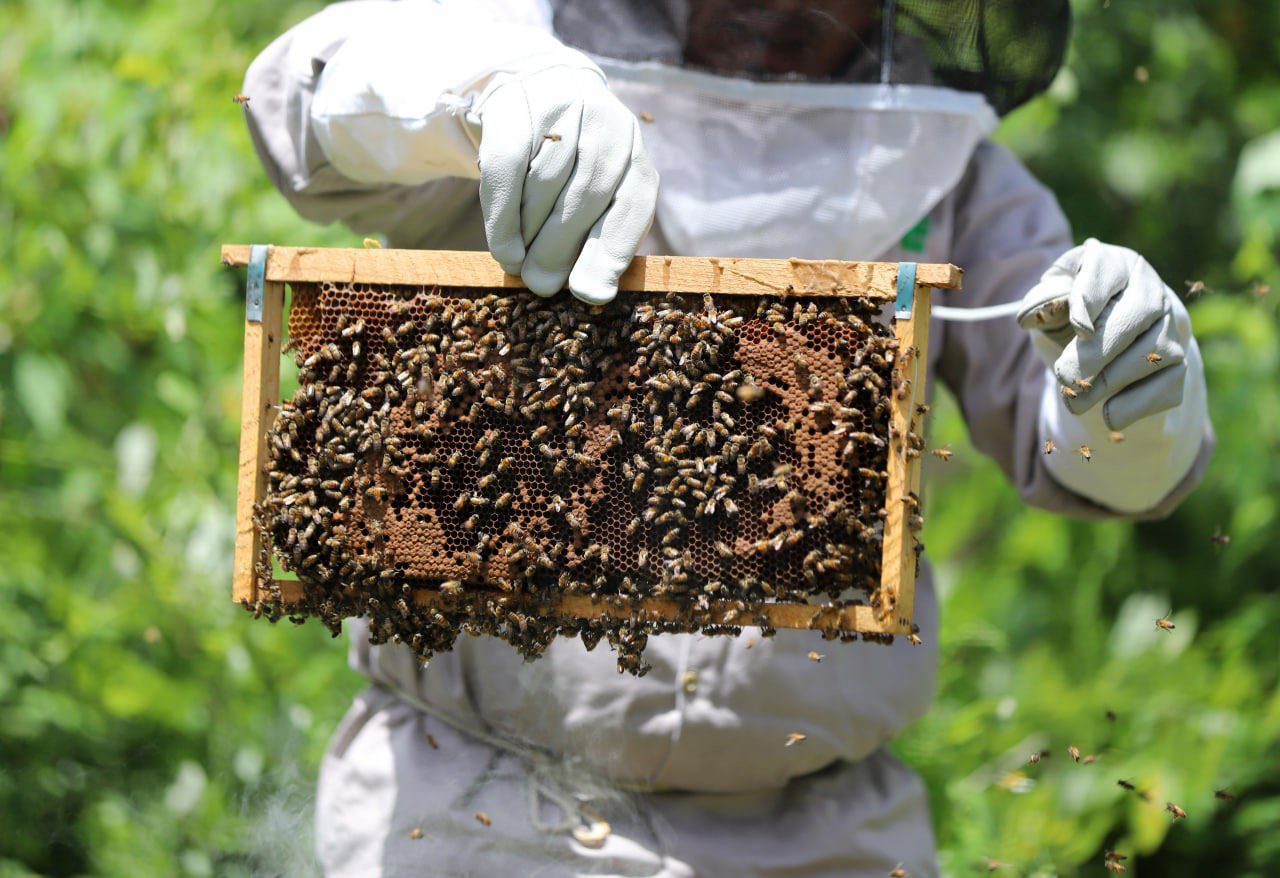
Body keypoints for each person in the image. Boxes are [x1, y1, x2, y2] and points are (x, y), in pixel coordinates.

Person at [241, 2, 1214, 874]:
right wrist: (489, 98)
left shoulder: (945, 165)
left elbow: (1088, 451)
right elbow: (309, 99)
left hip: (818, 838)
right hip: (470, 815)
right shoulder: (519, 48)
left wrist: (1127, 392)